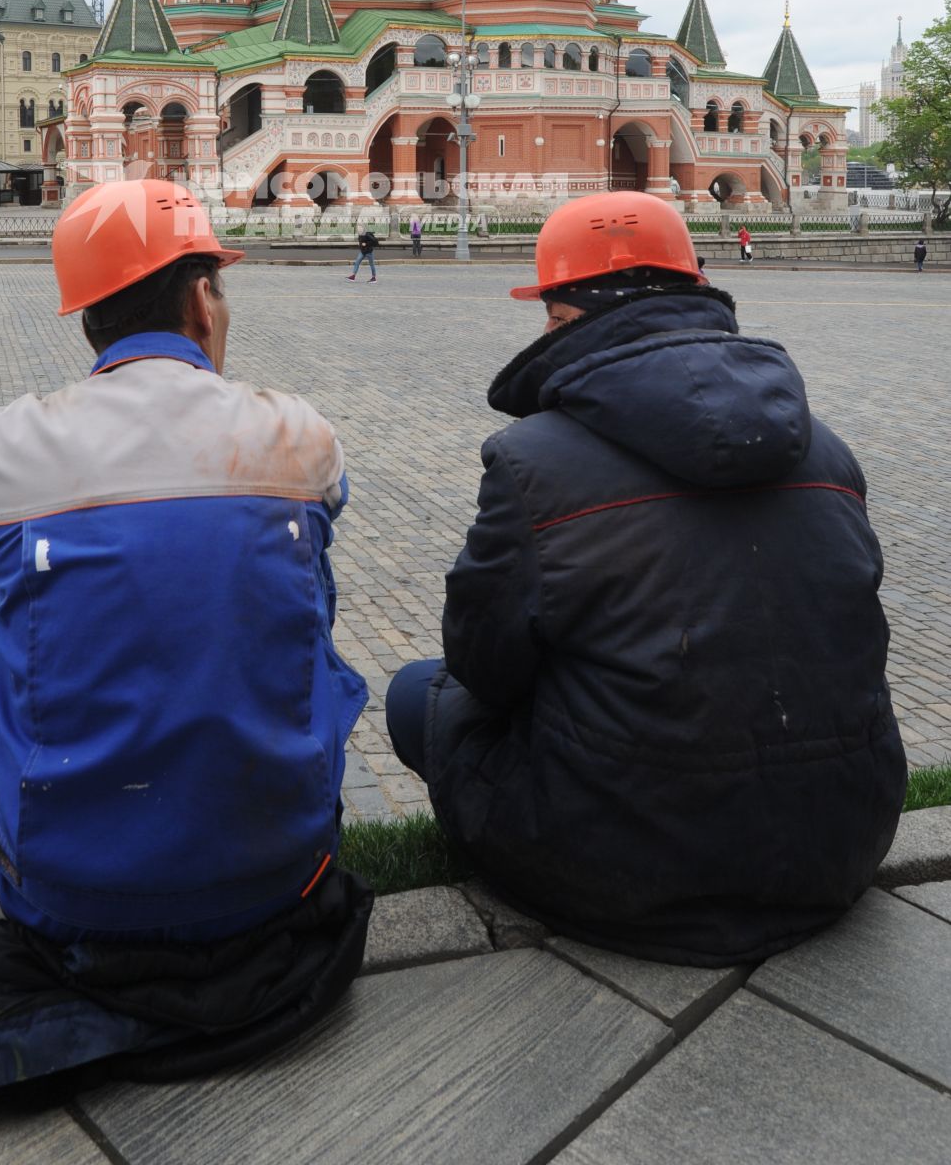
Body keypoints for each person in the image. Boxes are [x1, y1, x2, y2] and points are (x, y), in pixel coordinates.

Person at [0, 179, 372, 1120]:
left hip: (66, 902)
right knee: (279, 555)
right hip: (284, 874)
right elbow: (318, 509)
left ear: (86, 314)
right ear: (202, 299)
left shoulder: (4, 443)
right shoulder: (302, 435)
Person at [385, 192, 906, 968]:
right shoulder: (825, 449)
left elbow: (483, 670)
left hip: (627, 872)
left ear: (561, 317)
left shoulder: (532, 460)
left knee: (414, 693)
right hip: (840, 842)